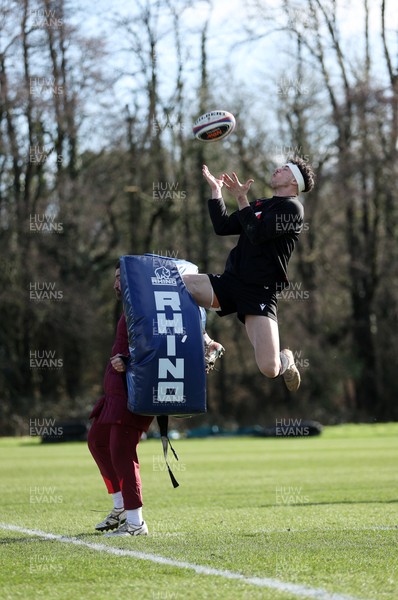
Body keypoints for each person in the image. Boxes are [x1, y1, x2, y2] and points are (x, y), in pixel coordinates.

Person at [88, 260, 225, 537]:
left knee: (121, 450)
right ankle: (121, 508)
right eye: (115, 278)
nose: (116, 283)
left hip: (134, 390)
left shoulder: (153, 305)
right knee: (98, 442)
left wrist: (210, 349)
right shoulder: (134, 305)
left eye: (120, 277)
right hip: (115, 391)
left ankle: (136, 523)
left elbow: (172, 341)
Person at [182, 158, 315, 392]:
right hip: (232, 282)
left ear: (294, 181)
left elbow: (257, 233)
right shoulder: (262, 203)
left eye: (285, 169)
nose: (277, 168)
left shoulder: (293, 209)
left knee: (269, 368)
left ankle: (286, 358)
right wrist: (216, 191)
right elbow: (222, 227)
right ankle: (207, 343)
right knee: (181, 287)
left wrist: (242, 199)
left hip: (259, 292)